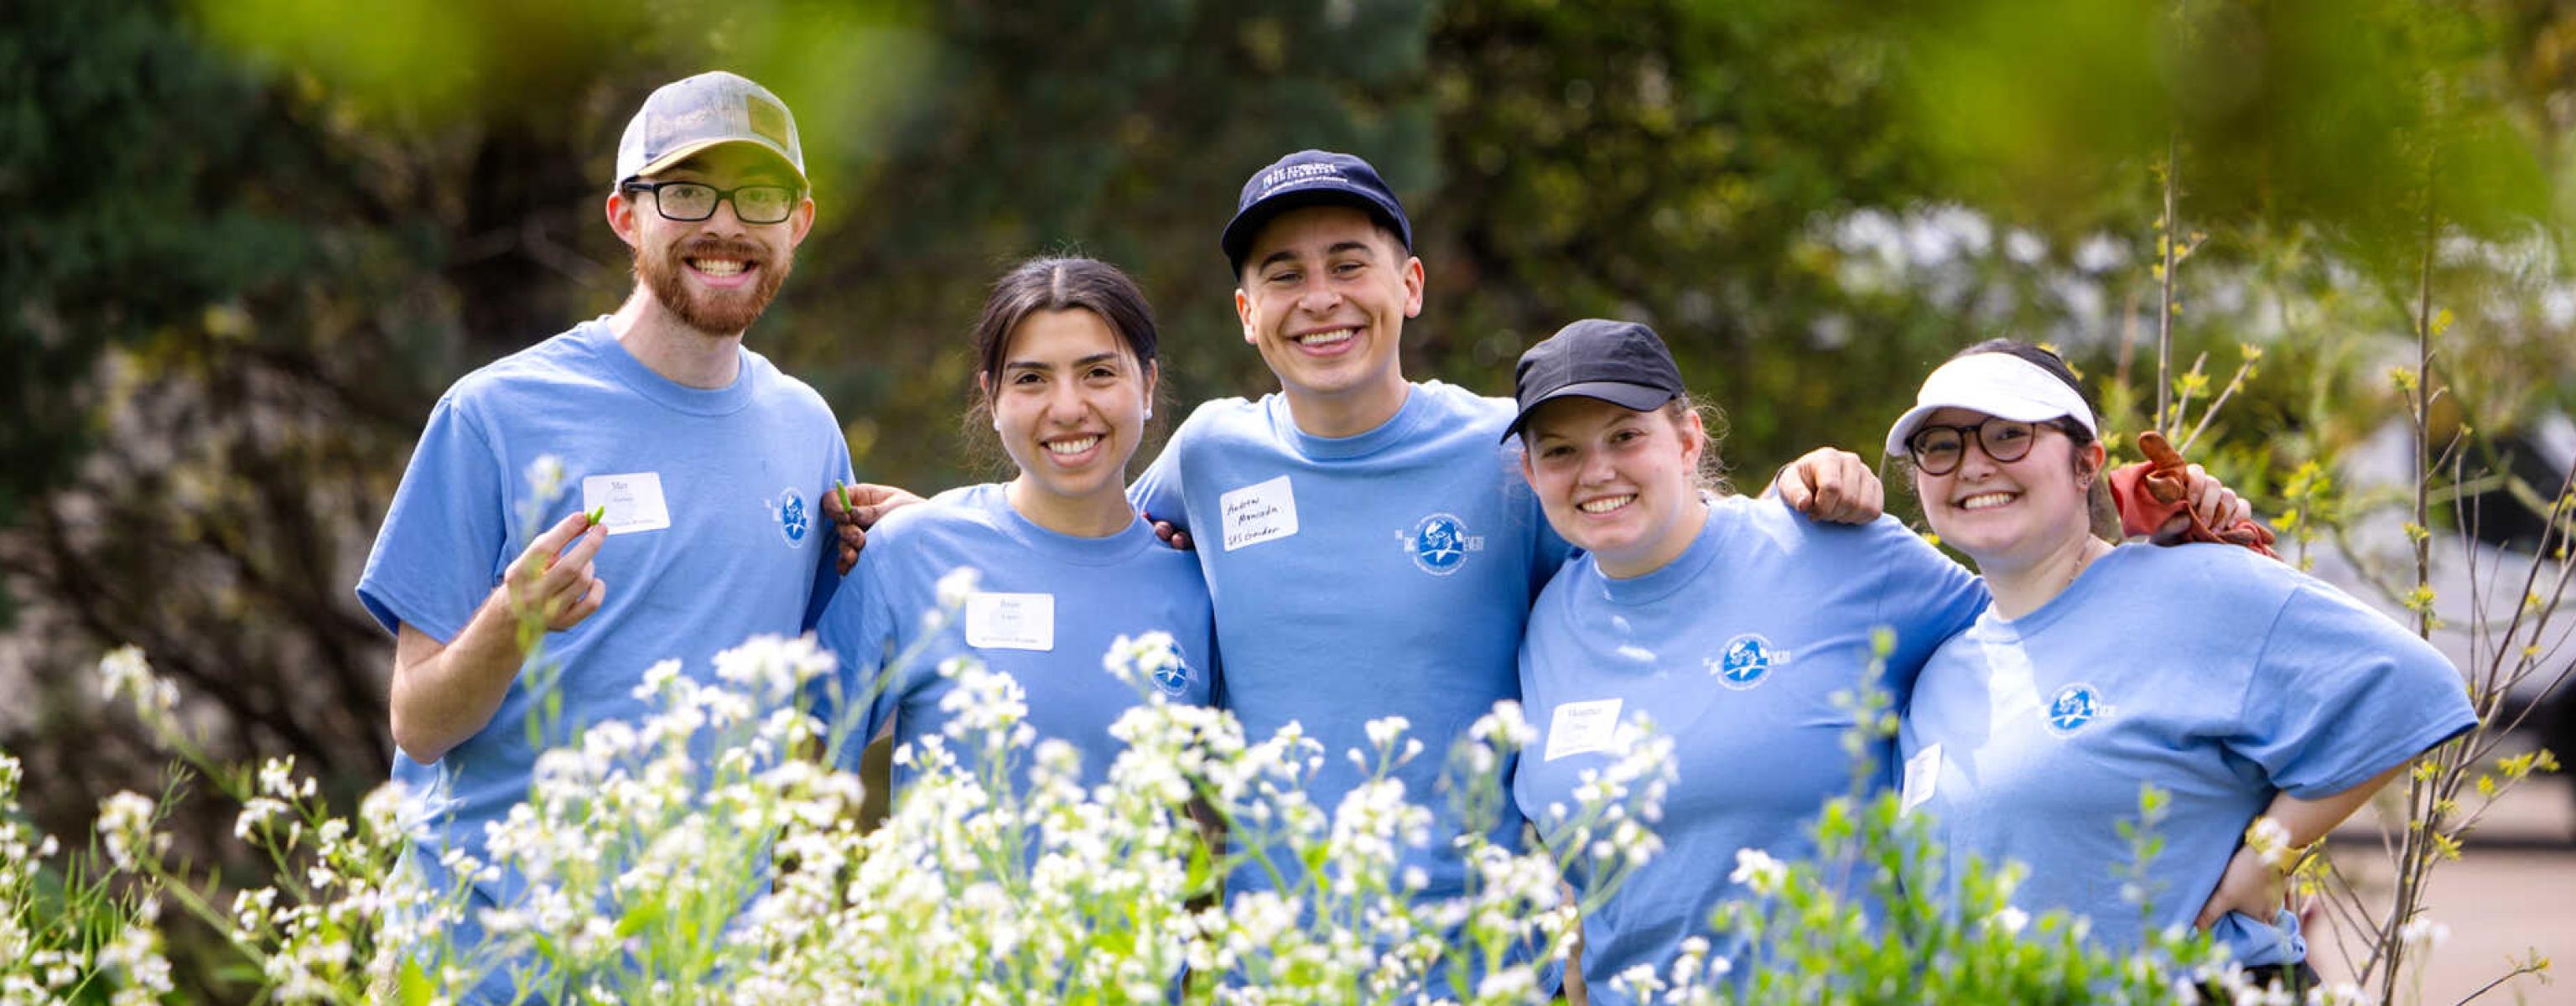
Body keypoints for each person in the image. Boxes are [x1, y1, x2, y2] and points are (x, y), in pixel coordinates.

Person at [1126, 151, 1882, 963]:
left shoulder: (1509, 457)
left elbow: (1672, 558)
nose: (1320, 299)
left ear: (1410, 285)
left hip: (1489, 964)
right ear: (1247, 310)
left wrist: (1800, 497)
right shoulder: (1207, 454)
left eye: (1350, 264)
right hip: (1275, 970)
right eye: (1285, 276)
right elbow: (1093, 561)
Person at [1505, 321, 2255, 1002]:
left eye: (1626, 437)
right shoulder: (1542, 624)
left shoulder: (1827, 549)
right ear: (1533, 476)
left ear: (1689, 440)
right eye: (1561, 451)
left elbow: (2041, 619)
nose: (1596, 471)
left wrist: (2134, 517)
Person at [355, 71, 892, 996]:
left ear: (797, 223)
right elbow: (419, 722)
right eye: (685, 192)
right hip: (488, 966)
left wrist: (915, 557)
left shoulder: (809, 432)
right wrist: (508, 624)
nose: (724, 226)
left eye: (757, 197)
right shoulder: (493, 414)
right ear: (623, 215)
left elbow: (828, 714)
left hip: (699, 969)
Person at [1888, 340, 2478, 984]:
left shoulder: (2195, 584)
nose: (1973, 465)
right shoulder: (1940, 667)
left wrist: (2267, 856)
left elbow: (2411, 686)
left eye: (2007, 435)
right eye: (1942, 445)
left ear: (2087, 465)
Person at [816, 257, 1214, 791]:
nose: (1069, 408)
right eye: (1031, 379)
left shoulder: (1201, 586)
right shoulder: (912, 554)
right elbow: (802, 778)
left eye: (1098, 372)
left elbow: (1221, 824)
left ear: (1147, 385)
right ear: (992, 398)